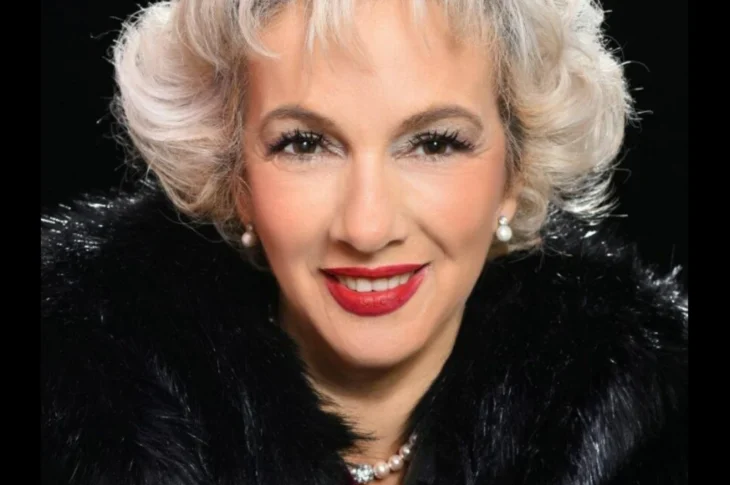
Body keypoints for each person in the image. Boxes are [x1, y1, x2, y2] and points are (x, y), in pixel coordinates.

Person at [40, 0, 688, 484]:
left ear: (515, 173)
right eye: (305, 144)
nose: (367, 227)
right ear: (235, 179)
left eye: (434, 143)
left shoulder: (650, 424)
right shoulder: (79, 417)